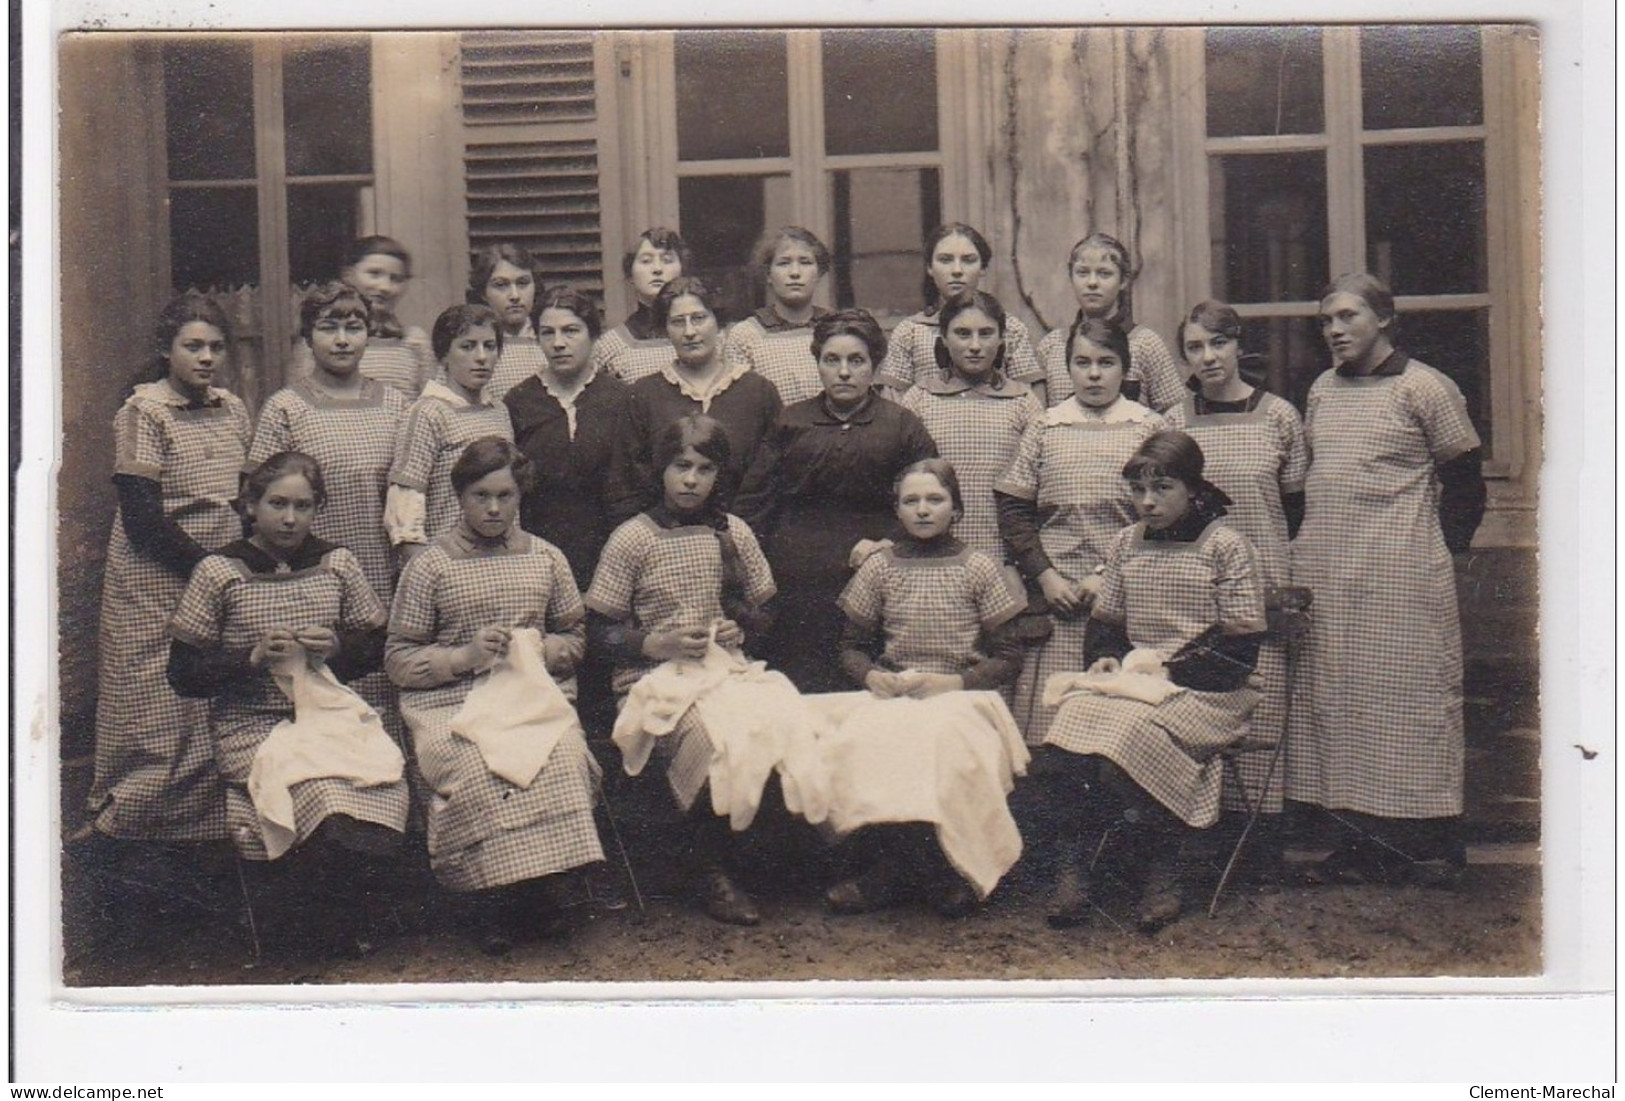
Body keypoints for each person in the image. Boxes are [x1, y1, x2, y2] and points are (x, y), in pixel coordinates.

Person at [167, 452, 408, 958]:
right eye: (277, 504)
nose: (290, 518)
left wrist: (339, 646)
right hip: (250, 724)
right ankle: (308, 924)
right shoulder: (220, 572)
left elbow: (377, 644)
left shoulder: (335, 563)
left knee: (378, 779)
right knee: (320, 789)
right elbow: (183, 673)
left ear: (318, 508)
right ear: (251, 506)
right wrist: (250, 657)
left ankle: (339, 912)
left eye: (303, 506)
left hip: (326, 714)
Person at [1287, 273, 1485, 887]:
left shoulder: (1426, 387)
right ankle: (1361, 844)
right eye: (1326, 321)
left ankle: (1431, 843)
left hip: (1402, 571)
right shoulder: (1322, 389)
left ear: (1385, 320)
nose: (1335, 330)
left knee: (1411, 702)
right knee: (1343, 705)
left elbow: (1467, 483)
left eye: (1348, 317)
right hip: (1332, 573)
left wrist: (1442, 553)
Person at [386, 437, 606, 954]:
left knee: (563, 754)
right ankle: (491, 901)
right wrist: (463, 657)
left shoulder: (547, 558)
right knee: (478, 765)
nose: (493, 508)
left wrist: (539, 648)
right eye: (480, 495)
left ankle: (543, 890)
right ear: (459, 496)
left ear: (520, 496)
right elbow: (397, 658)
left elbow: (576, 636)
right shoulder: (430, 565)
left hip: (531, 700)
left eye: (505, 496)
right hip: (452, 703)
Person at [1041, 430, 1267, 933]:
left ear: (1192, 488)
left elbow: (1239, 647)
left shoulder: (1226, 547)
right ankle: (1074, 864)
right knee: (1069, 719)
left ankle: (1164, 866)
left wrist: (1169, 670)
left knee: (1131, 732)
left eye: (1162, 488)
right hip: (1139, 684)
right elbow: (1107, 624)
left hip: (1210, 691)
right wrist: (1103, 659)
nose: (1147, 501)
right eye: (1139, 490)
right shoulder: (1126, 542)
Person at [585, 416, 781, 926]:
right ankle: (708, 869)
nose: (691, 479)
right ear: (660, 470)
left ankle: (746, 855)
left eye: (705, 468)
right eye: (680, 466)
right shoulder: (633, 539)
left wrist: (744, 628)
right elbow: (598, 631)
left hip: (724, 671)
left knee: (773, 723)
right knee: (709, 737)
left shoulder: (732, 532)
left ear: (720, 475)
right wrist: (655, 642)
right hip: (651, 681)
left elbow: (764, 609)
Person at [819, 459, 1030, 918]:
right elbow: (850, 648)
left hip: (962, 694)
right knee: (864, 740)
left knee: (941, 743)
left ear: (956, 508)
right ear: (896, 510)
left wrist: (954, 682)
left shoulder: (978, 567)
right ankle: (899, 867)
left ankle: (946, 868)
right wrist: (871, 675)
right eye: (910, 501)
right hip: (898, 689)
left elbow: (1009, 657)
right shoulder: (881, 567)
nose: (922, 510)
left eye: (935, 499)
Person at [84, 293, 253, 843]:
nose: (206, 358)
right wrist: (208, 568)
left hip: (217, 569)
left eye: (216, 347)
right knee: (153, 700)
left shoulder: (232, 408)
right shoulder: (143, 412)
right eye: (193, 346)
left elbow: (244, 495)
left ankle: (205, 832)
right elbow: (141, 519)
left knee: (210, 696)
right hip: (154, 577)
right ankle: (131, 826)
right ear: (166, 349)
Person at [735, 308, 937, 693]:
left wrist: (889, 544)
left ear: (875, 366)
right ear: (818, 362)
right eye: (832, 360)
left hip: (876, 582)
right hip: (797, 589)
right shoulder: (790, 423)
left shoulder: (901, 425)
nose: (844, 372)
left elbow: (930, 500)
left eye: (856, 360)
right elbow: (753, 506)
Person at [1165, 300, 1309, 826]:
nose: (1208, 357)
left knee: (1261, 705)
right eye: (1195, 348)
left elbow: (1294, 509)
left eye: (1218, 343)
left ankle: (1262, 834)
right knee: (1197, 703)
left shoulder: (1278, 416)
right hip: (1195, 583)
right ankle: (1201, 829)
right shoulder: (1173, 421)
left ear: (1237, 345)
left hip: (1263, 579)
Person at [996, 316, 1165, 745]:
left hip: (1126, 600)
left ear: (1125, 369)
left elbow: (1163, 516)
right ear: (1066, 368)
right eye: (1082, 362)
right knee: (1049, 730)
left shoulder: (1148, 428)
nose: (1093, 374)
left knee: (1116, 732)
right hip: (1058, 601)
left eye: (1106, 362)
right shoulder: (1046, 426)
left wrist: (1106, 577)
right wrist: (1046, 577)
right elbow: (1014, 512)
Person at [503, 286, 633, 742]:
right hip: (542, 552)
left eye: (571, 331)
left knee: (605, 667)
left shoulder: (620, 399)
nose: (559, 342)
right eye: (547, 332)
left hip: (607, 551)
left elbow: (630, 486)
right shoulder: (519, 402)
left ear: (593, 335)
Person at [606, 276, 783, 525]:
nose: (689, 332)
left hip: (745, 538)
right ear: (665, 329)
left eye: (699, 319)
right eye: (678, 322)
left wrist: (735, 534)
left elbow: (769, 481)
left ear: (718, 322)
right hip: (666, 542)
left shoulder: (759, 392)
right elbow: (628, 484)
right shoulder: (643, 395)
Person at [897, 289, 1042, 561]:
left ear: (1002, 339)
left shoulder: (1024, 401)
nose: (975, 345)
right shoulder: (919, 398)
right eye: (962, 334)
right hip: (934, 552)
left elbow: (1033, 490)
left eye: (986, 333)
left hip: (1004, 552)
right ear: (944, 338)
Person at [386, 304, 515, 562]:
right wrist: (426, 569)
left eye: (489, 346)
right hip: (446, 558)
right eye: (467, 346)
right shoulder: (427, 413)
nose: (481, 357)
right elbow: (405, 504)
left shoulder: (499, 410)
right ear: (444, 355)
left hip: (499, 559)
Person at [876, 223, 1045, 402]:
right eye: (945, 260)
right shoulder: (910, 332)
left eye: (968, 260)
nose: (957, 270)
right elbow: (893, 404)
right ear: (930, 268)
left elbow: (1031, 398)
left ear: (983, 268)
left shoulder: (1011, 328)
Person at [1038, 232, 1185, 413]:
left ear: (1123, 280)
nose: (1092, 283)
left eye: (1104, 274)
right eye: (1083, 273)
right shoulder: (1051, 347)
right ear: (1071, 277)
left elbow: (1173, 412)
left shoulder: (1146, 344)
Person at [293, 235, 436, 398]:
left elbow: (434, 408)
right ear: (348, 275)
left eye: (396, 279)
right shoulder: (320, 339)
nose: (385, 287)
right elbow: (302, 399)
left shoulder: (415, 342)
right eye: (374, 274)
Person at [725, 226, 834, 404]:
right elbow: (740, 405)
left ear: (819, 272)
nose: (795, 273)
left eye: (805, 262)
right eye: (784, 263)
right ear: (768, 274)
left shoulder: (836, 327)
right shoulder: (746, 335)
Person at [591, 226, 692, 384]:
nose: (657, 269)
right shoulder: (610, 346)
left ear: (682, 270)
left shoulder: (700, 337)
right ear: (630, 275)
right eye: (646, 261)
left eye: (667, 260)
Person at [467, 242, 547, 403]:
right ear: (483, 293)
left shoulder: (551, 338)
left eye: (523, 283)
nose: (515, 295)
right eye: (501, 285)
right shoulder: (470, 345)